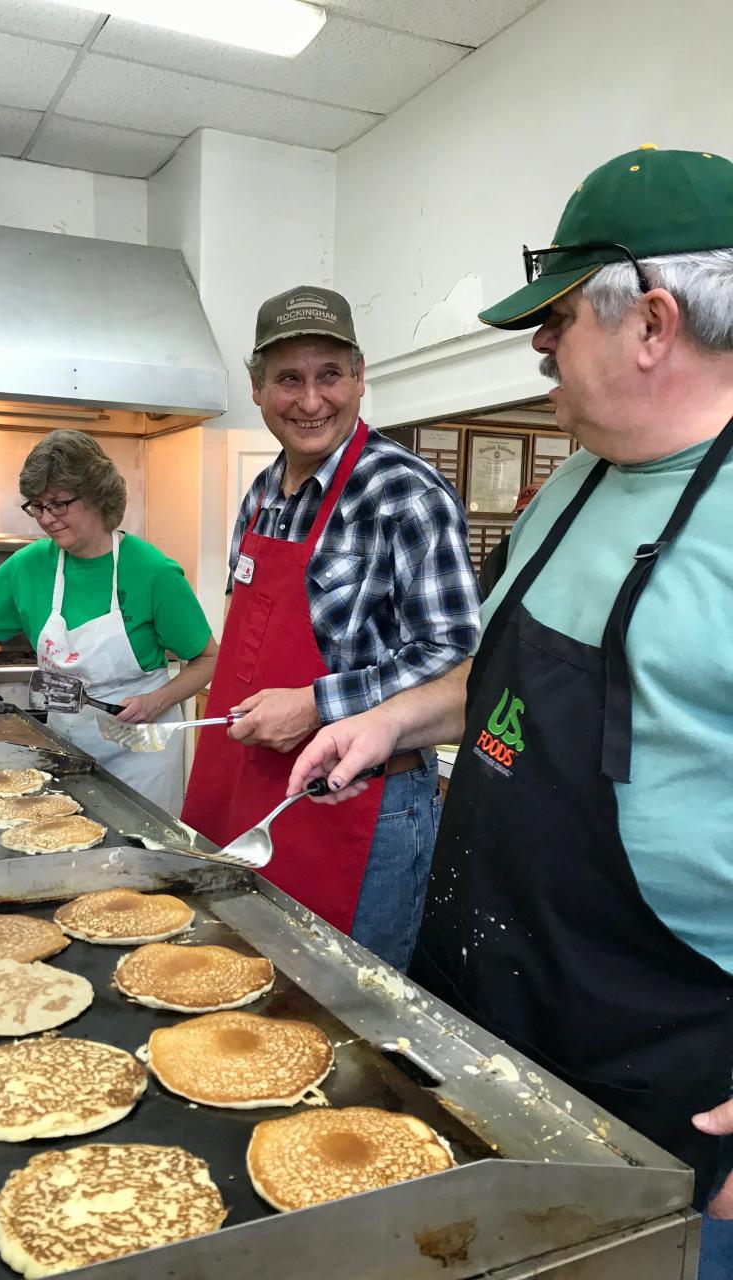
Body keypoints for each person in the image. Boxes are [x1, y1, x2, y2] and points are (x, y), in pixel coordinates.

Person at [287, 146, 733, 1274]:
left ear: (652, 323)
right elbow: (501, 676)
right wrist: (394, 721)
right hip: (486, 996)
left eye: (559, 317)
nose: (537, 344)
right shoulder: (574, 480)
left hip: (665, 1051)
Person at [181, 286, 480, 970]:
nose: (311, 401)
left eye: (330, 376)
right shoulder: (260, 495)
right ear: (256, 388)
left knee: (349, 1012)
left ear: (360, 377)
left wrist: (318, 704)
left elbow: (454, 656)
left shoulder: (404, 492)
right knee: (243, 977)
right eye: (289, 379)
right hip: (252, 783)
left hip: (362, 806)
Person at [0, 429, 217, 813]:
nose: (46, 518)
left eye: (58, 504)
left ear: (97, 495)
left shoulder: (152, 572)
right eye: (37, 506)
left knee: (139, 857)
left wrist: (157, 700)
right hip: (67, 744)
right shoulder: (31, 565)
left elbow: (208, 659)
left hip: (141, 752)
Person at [477, 482, 541, 599]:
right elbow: (483, 598)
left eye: (535, 513)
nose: (527, 520)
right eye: (522, 514)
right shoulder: (499, 554)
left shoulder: (562, 552)